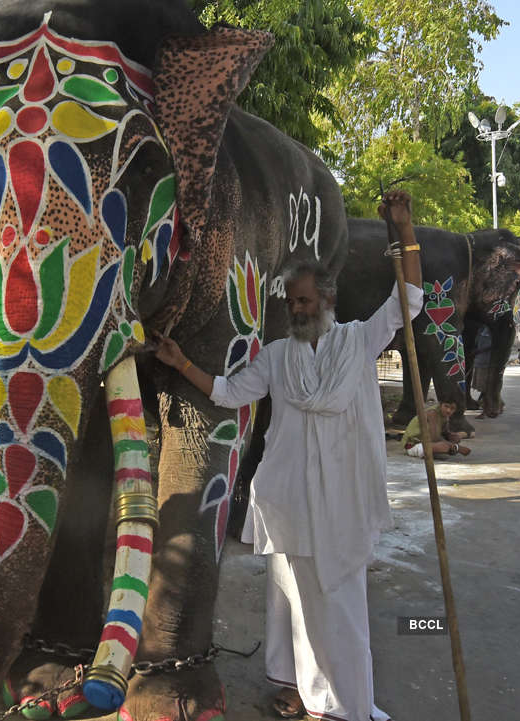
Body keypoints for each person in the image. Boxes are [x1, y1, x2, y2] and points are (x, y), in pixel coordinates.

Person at [155, 191, 422, 721]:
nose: (295, 310)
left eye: (303, 301)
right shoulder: (277, 356)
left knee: (340, 602)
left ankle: (342, 702)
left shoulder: (359, 341)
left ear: (326, 298)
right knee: (292, 599)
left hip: (342, 499)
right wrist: (181, 362)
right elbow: (229, 392)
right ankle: (295, 685)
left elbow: (408, 302)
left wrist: (405, 229)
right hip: (287, 497)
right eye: (291, 302)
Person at [401, 399, 471, 458]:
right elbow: (434, 438)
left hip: (427, 443)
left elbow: (444, 433)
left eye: (452, 408)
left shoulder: (444, 415)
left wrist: (451, 436)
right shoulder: (432, 413)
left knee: (454, 439)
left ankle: (440, 450)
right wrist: (458, 448)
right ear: (440, 404)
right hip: (413, 445)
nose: (448, 410)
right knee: (444, 447)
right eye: (446, 406)